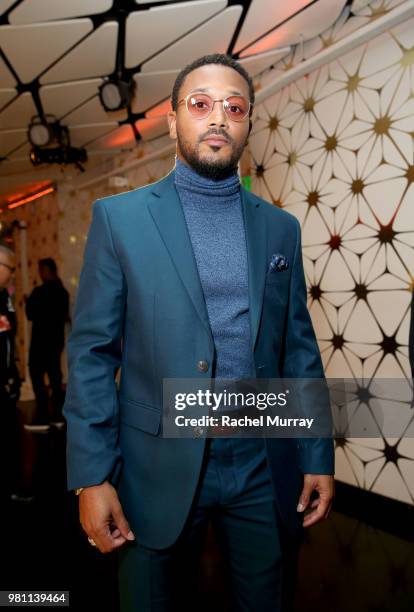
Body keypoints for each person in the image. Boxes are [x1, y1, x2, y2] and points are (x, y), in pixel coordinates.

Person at [64, 54, 335, 611]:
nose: (218, 117)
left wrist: (316, 454)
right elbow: (92, 354)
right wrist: (91, 477)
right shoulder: (120, 220)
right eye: (201, 104)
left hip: (263, 461)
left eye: (234, 107)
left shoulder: (280, 229)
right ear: (173, 120)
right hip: (153, 463)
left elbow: (299, 351)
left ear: (248, 123)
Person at [24, 258, 69, 431]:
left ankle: (43, 416)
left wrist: (28, 301)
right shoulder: (63, 292)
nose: (40, 274)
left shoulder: (39, 292)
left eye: (41, 270)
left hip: (40, 341)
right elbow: (64, 316)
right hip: (56, 341)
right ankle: (58, 416)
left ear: (46, 270)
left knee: (36, 376)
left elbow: (30, 314)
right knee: (55, 377)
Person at [0, 244, 28, 502]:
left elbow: (8, 336)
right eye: (10, 268)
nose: (12, 275)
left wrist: (15, 366)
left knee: (10, 435)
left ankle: (13, 487)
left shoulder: (5, 298)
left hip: (6, 379)